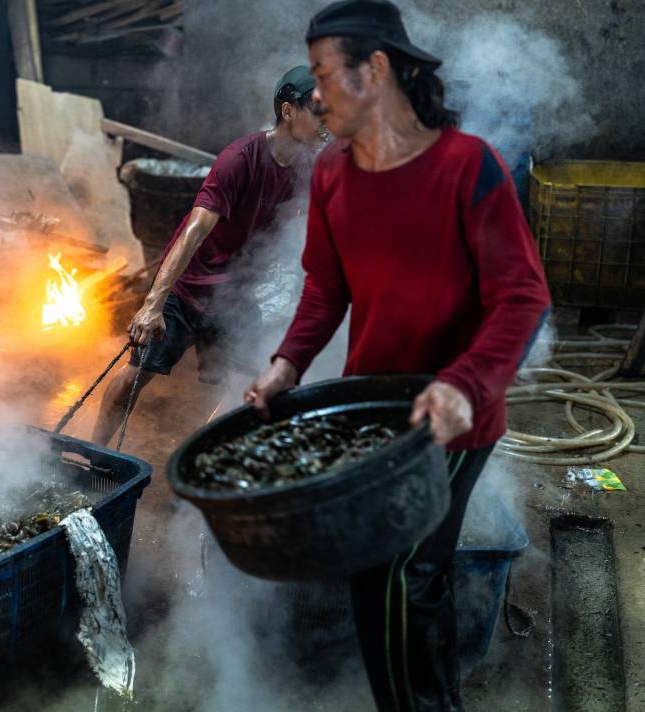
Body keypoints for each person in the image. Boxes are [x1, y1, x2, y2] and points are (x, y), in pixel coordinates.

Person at [244, 2, 551, 710]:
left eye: (324, 73)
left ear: (375, 70)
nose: (314, 94)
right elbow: (327, 285)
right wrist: (288, 362)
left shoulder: (467, 166)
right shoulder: (330, 174)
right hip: (376, 405)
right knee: (407, 572)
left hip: (456, 412)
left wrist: (463, 386)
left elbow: (523, 297)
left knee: (394, 572)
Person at [92, 66, 328, 447]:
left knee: (243, 382)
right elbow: (193, 232)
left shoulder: (307, 165)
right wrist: (153, 304)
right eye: (318, 109)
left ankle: (195, 455)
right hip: (186, 289)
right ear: (288, 111)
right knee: (138, 373)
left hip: (234, 297)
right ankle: (94, 450)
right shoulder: (240, 159)